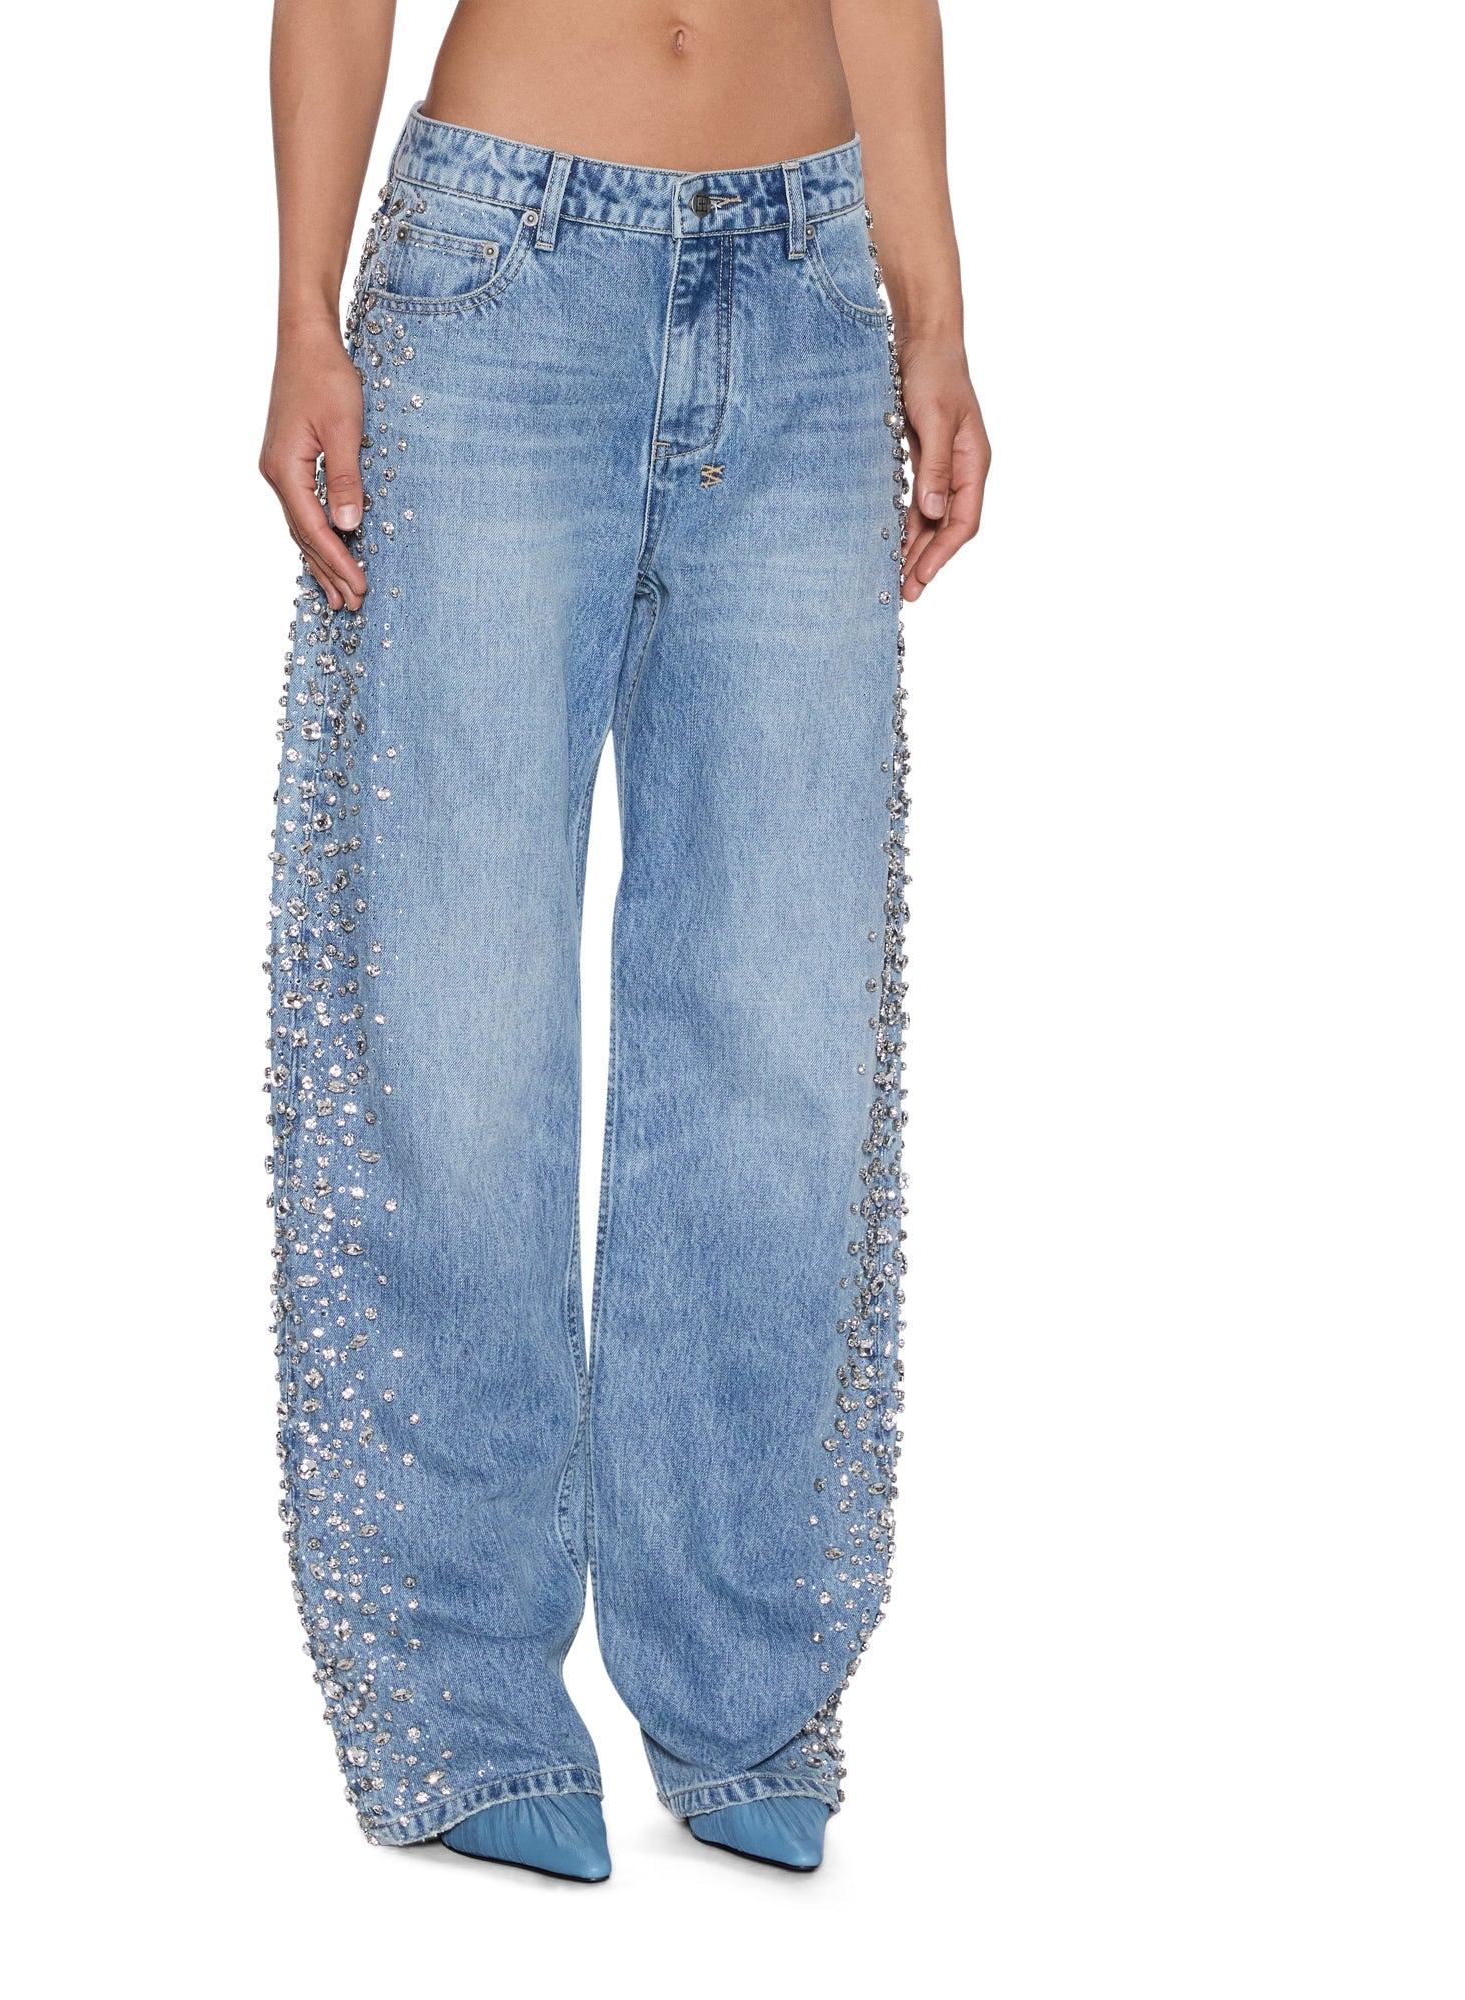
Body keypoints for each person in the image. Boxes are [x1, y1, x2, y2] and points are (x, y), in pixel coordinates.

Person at [260, 0, 989, 1880]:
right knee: (457, 1022)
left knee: (782, 1026)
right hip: (499, 284)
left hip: (809, 291)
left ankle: (745, 1685)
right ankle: (461, 1699)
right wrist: (304, 313)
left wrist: (932, 310)